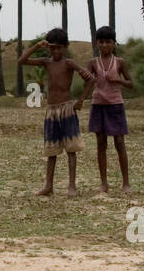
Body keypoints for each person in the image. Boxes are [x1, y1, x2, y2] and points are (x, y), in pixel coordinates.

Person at [19, 28, 93, 197]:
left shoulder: (69, 63)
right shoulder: (46, 62)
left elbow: (91, 79)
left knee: (71, 149)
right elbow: (22, 61)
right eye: (52, 48)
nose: (56, 51)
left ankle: (72, 186)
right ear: (48, 48)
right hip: (51, 111)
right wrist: (37, 45)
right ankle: (48, 186)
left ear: (65, 47)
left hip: (67, 109)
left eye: (59, 47)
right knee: (51, 151)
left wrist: (81, 100)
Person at [77, 26, 134, 194]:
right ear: (97, 44)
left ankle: (126, 183)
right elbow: (87, 82)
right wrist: (85, 80)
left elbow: (131, 83)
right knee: (101, 144)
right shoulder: (93, 63)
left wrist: (119, 80)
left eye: (108, 42)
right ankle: (104, 183)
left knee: (119, 143)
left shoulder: (120, 62)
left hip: (115, 105)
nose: (104, 46)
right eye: (101, 42)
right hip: (98, 105)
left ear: (114, 44)